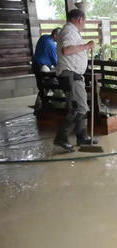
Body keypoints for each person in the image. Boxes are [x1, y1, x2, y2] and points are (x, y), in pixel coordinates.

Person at [53, 9, 97, 152]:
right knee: (79, 108)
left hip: (74, 75)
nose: (84, 24)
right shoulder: (69, 31)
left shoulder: (71, 31)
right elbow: (67, 50)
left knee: (81, 106)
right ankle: (61, 137)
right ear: (79, 19)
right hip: (70, 74)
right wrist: (87, 46)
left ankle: (82, 136)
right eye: (84, 21)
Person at [32, 28, 61, 114]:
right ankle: (41, 107)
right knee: (48, 86)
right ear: (55, 35)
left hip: (35, 65)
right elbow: (55, 62)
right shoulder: (51, 45)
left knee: (41, 87)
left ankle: (40, 107)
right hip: (41, 67)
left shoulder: (43, 37)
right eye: (60, 36)